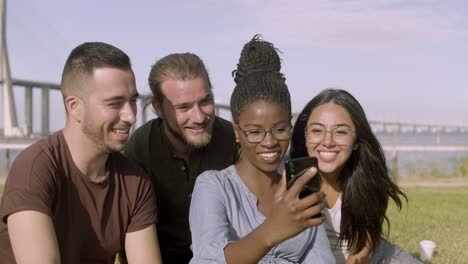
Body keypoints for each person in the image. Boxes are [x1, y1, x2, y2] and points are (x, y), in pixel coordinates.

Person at [0, 42, 162, 263]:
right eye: (115, 103)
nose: (131, 116)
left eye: (132, 101)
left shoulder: (135, 182)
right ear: (74, 106)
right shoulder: (34, 169)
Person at [189, 35, 335, 263]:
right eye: (255, 132)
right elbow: (208, 260)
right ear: (237, 132)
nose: (269, 142)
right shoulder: (214, 186)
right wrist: (272, 230)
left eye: (280, 129)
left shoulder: (300, 192)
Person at [124, 52, 238, 263]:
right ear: (158, 108)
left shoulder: (235, 141)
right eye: (183, 107)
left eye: (206, 101)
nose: (199, 117)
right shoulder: (139, 149)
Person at [290, 89, 421, 264]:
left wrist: (359, 257)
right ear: (305, 136)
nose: (327, 142)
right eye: (317, 130)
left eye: (341, 132)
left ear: (357, 141)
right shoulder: (290, 177)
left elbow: (362, 250)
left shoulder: (368, 179)